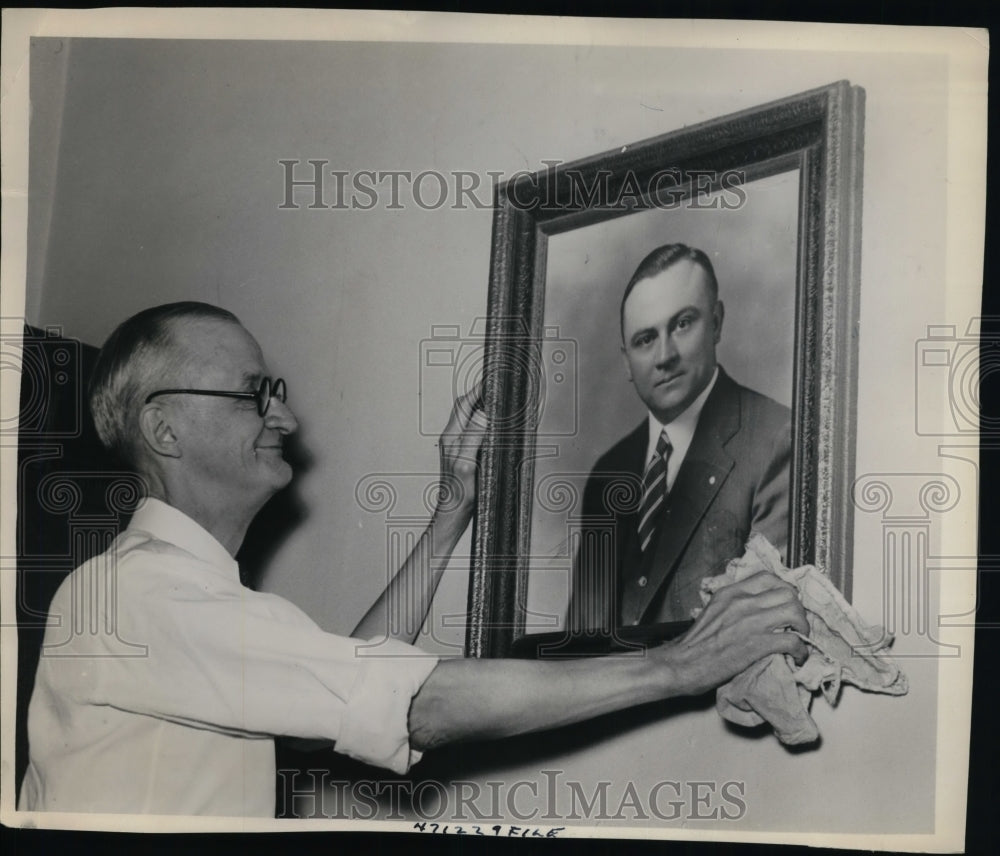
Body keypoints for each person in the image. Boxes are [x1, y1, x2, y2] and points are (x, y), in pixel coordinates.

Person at [19, 301, 806, 816]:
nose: (286, 416)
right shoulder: (139, 598)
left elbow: (350, 683)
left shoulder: (179, 601)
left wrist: (451, 508)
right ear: (165, 431)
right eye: (256, 392)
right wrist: (680, 666)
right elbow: (410, 701)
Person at [567, 244, 791, 633]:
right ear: (626, 362)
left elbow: (763, 634)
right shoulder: (609, 471)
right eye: (644, 340)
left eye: (683, 324)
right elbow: (579, 645)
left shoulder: (776, 440)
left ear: (717, 322)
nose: (664, 356)